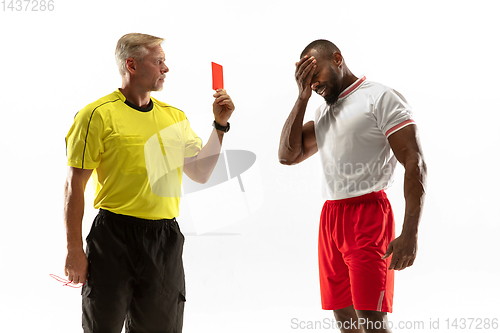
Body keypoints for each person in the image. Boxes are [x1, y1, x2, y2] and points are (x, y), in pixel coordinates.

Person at [63, 33, 235, 333]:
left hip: (163, 240)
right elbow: (73, 185)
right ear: (131, 65)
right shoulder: (97, 115)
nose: (165, 69)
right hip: (112, 237)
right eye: (158, 62)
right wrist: (74, 249)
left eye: (164, 62)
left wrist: (220, 125)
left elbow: (201, 172)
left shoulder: (173, 118)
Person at [278, 39, 427, 333]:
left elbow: (415, 162)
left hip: (368, 216)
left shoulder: (380, 98)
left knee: (372, 321)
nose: (313, 82)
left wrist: (410, 232)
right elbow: (287, 155)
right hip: (332, 217)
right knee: (345, 320)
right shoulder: (323, 112)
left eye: (314, 71)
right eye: (306, 77)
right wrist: (302, 98)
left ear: (337, 59)